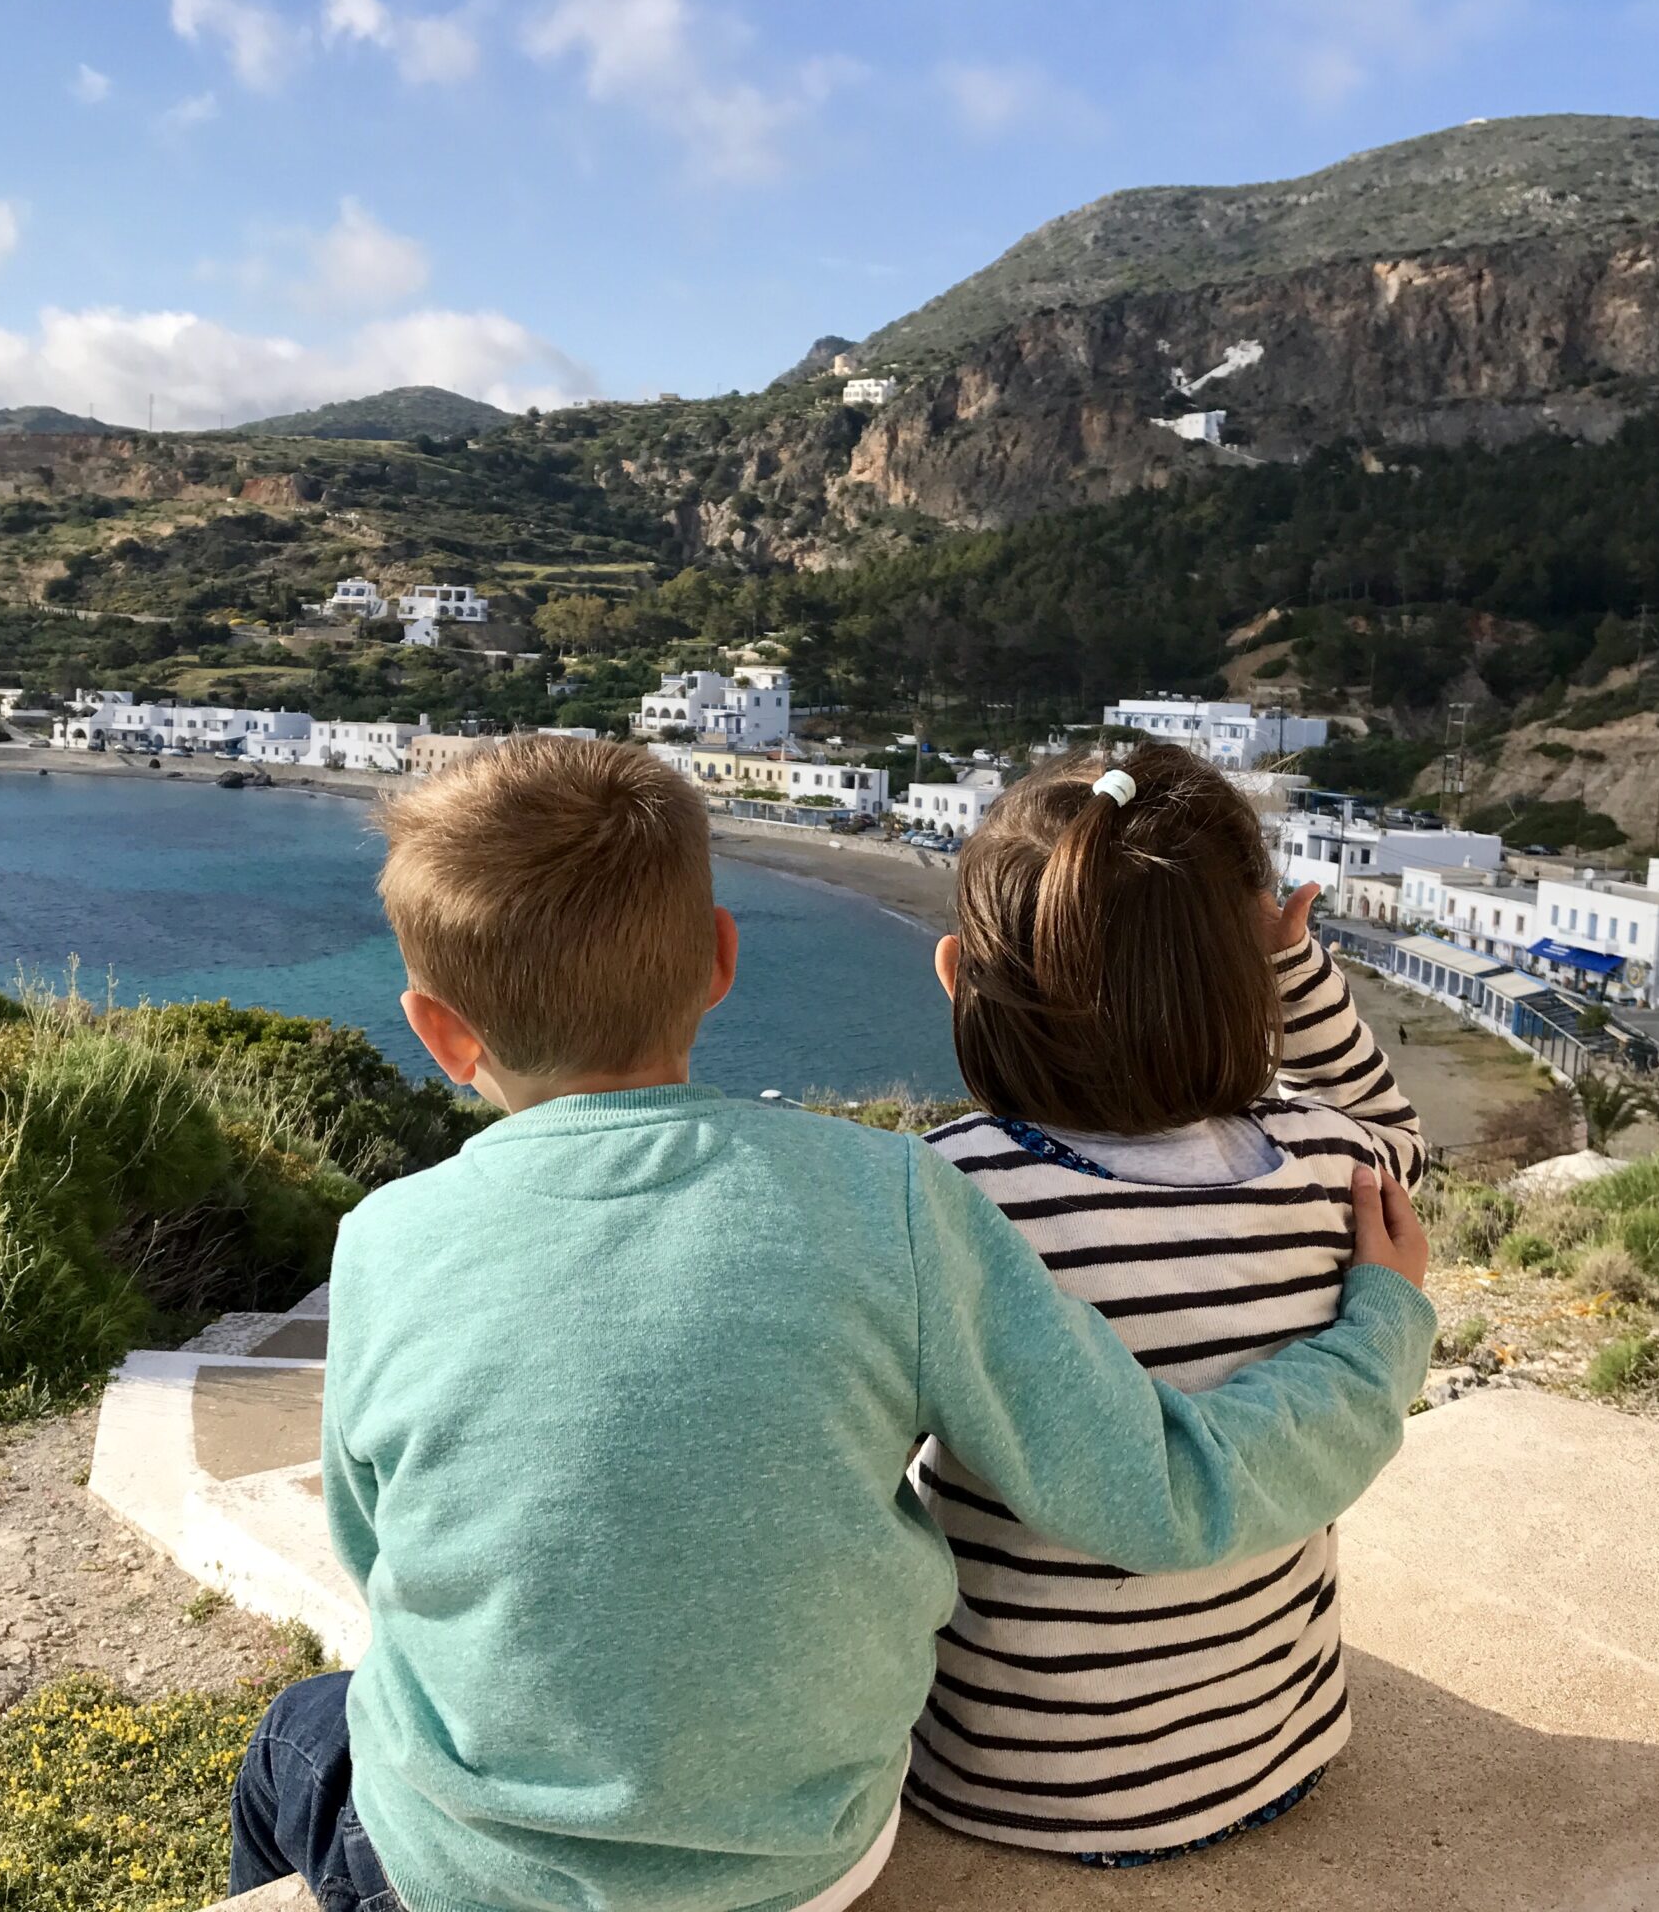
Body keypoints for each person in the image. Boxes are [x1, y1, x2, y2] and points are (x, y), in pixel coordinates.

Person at [228, 738, 1434, 1912]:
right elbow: (1154, 1483)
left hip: (481, 1877)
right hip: (807, 1861)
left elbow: (376, 1547)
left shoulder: (386, 1236)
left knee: (295, 1732)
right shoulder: (886, 1197)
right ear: (717, 960)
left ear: (437, 1031)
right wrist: (1385, 1328)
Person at [907, 742, 1428, 1864]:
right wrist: (1291, 965)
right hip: (1270, 1753)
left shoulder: (946, 1198)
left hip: (1007, 1779)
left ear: (959, 973)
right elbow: (1396, 1135)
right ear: (1251, 967)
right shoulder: (1335, 1167)